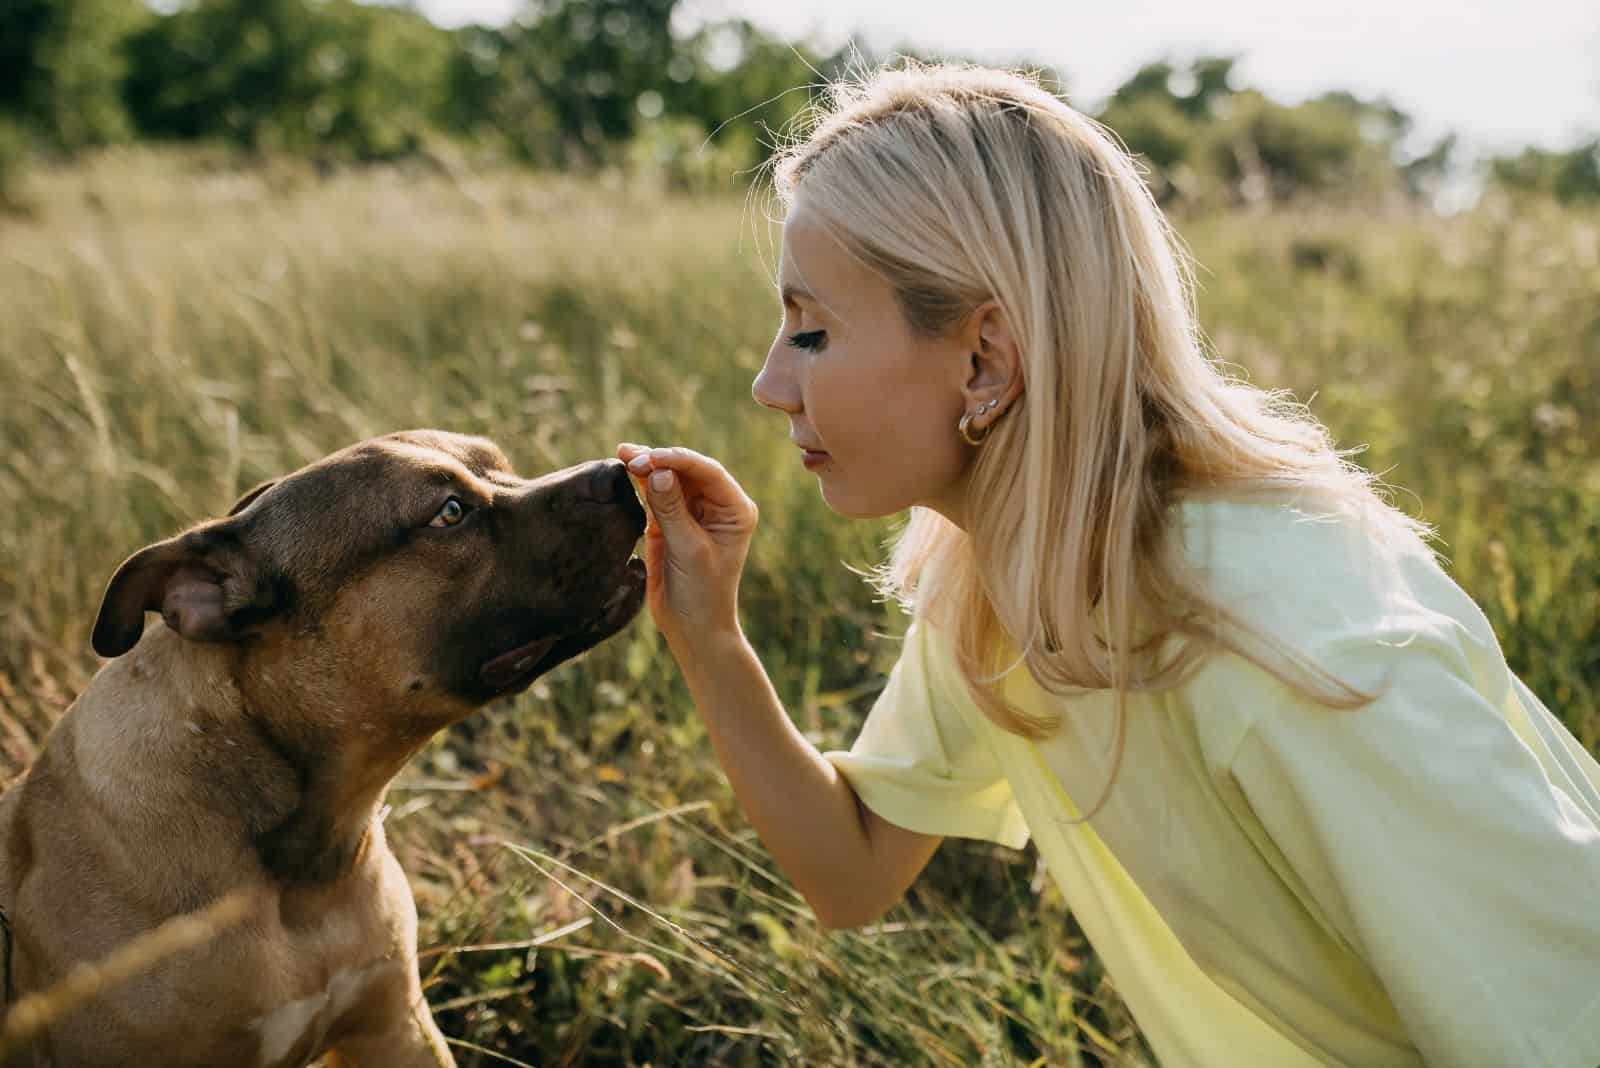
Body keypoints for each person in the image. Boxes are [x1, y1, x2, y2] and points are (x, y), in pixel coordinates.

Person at [615, 62, 1600, 1068]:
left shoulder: (1298, 647)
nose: (768, 382)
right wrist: (707, 635)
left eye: (812, 329)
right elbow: (852, 871)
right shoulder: (1011, 587)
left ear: (986, 360)